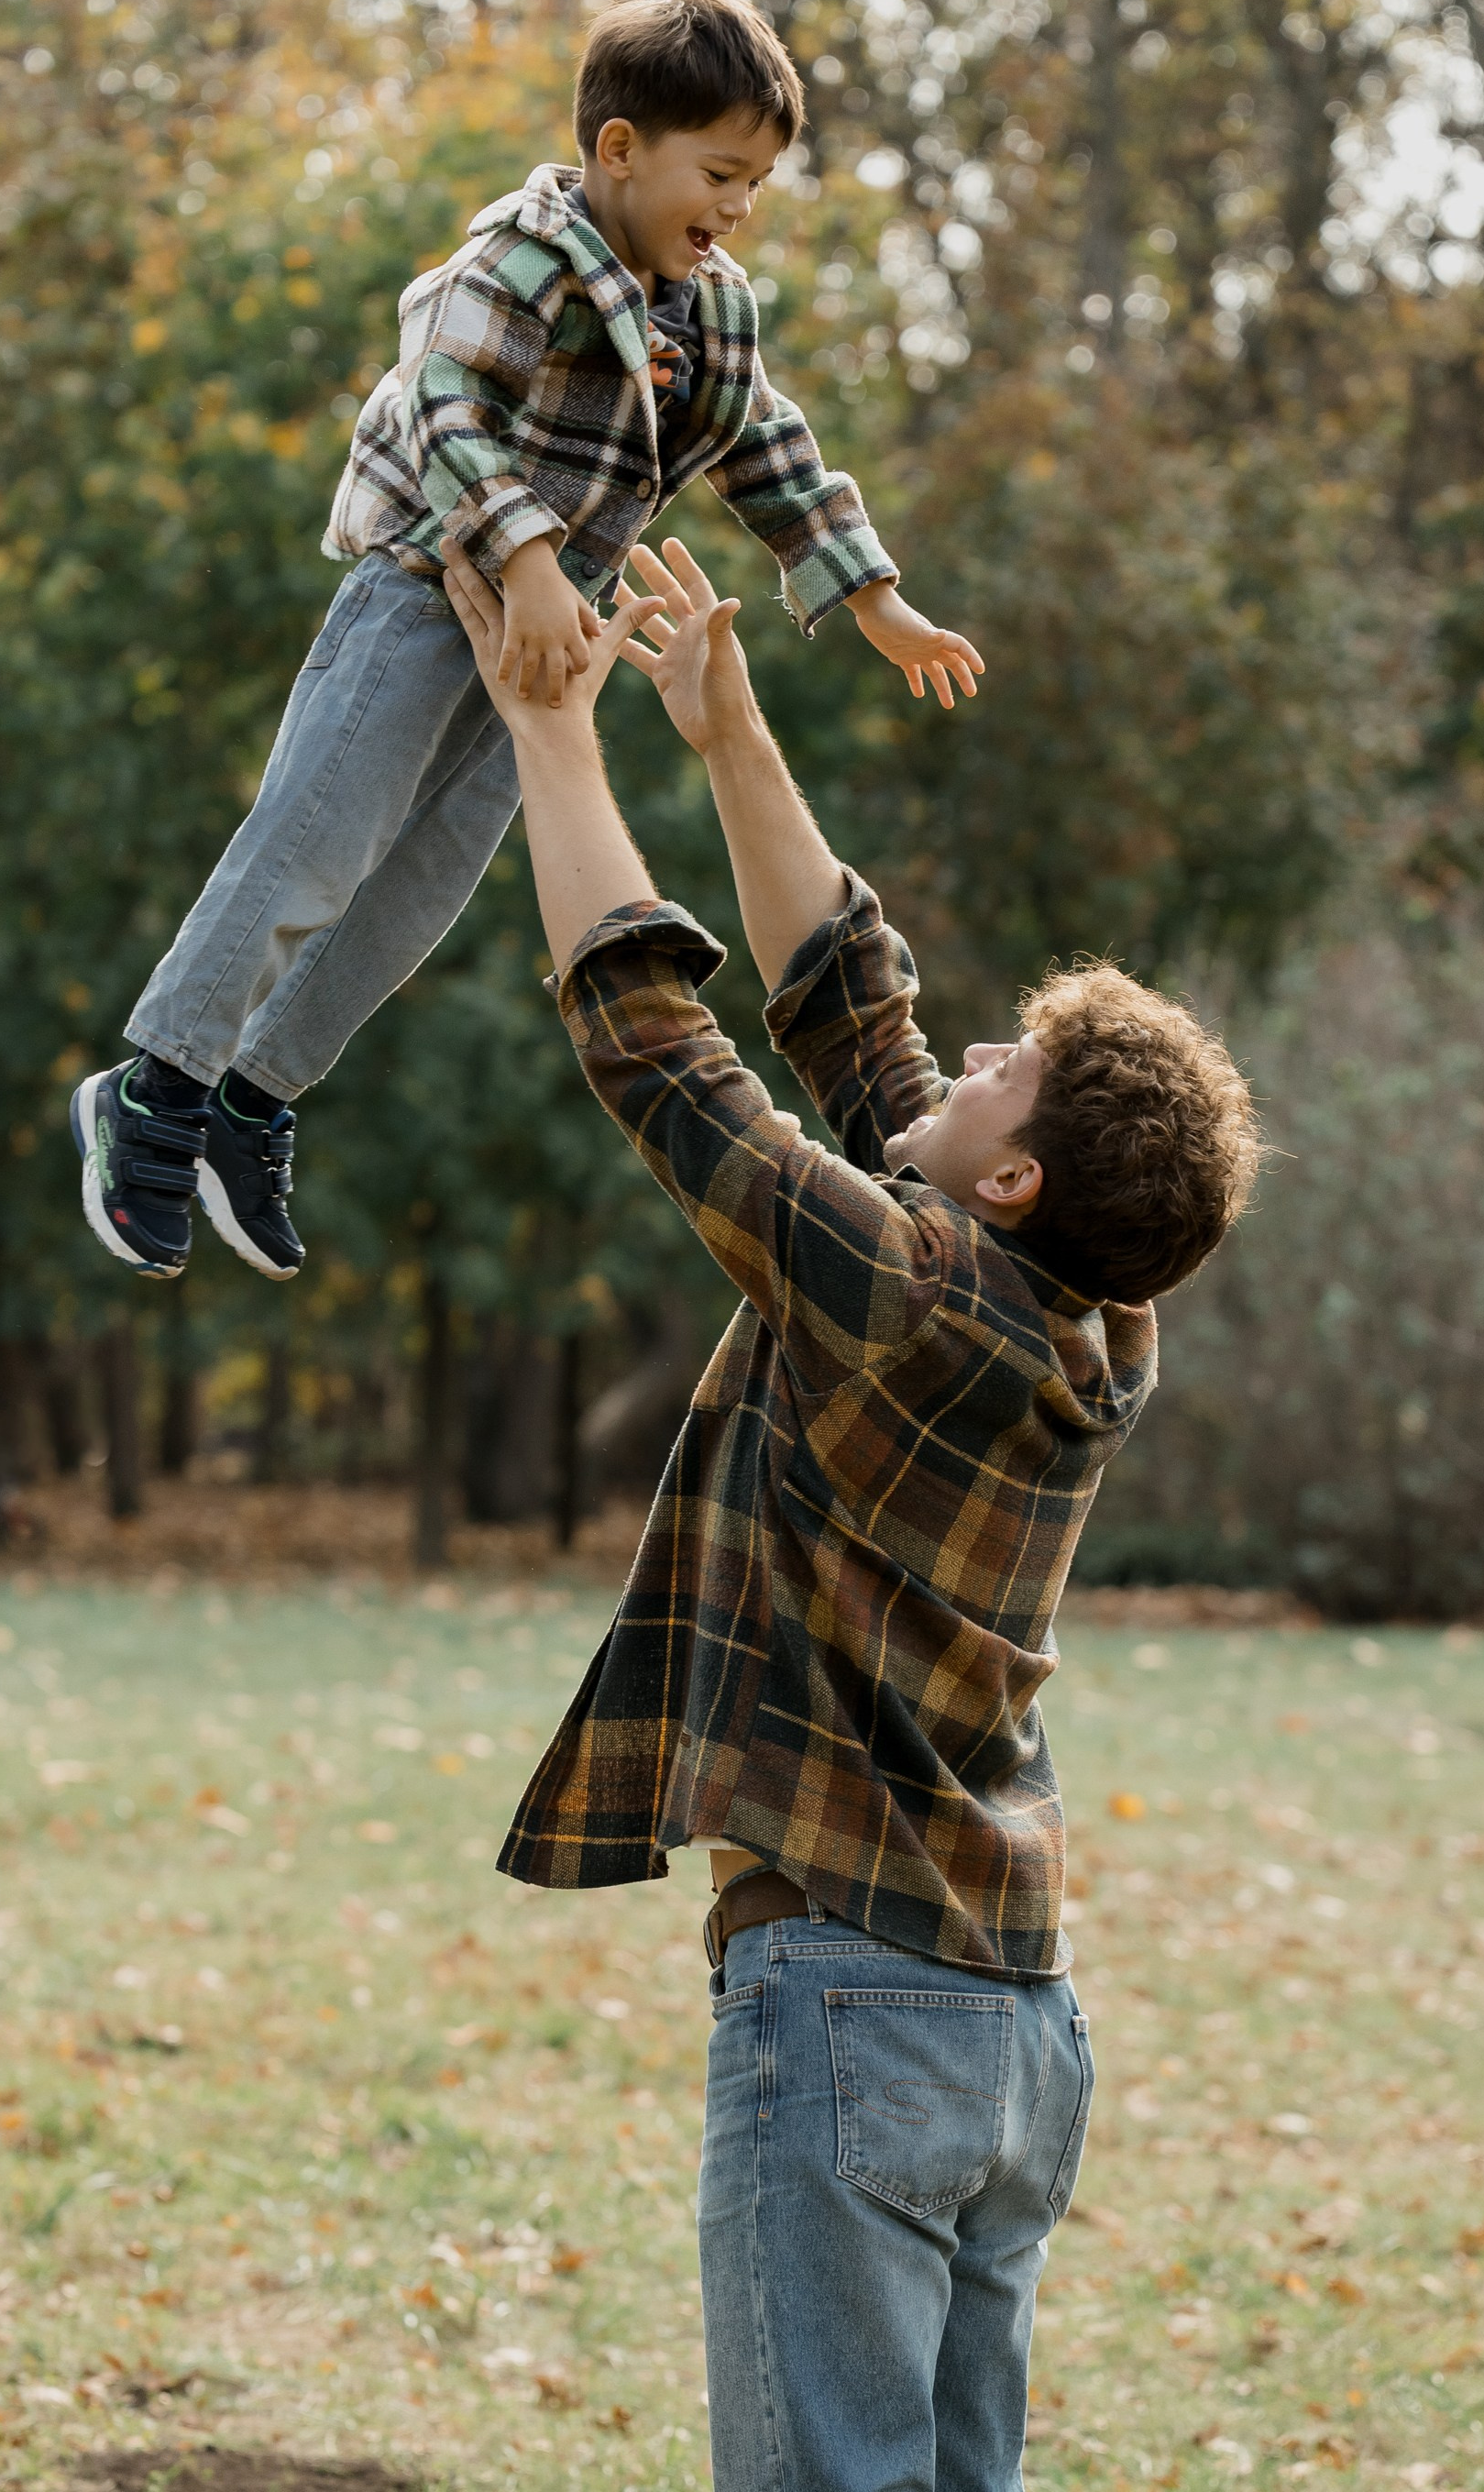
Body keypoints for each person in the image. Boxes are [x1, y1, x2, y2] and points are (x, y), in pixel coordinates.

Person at [439, 532, 1264, 2492]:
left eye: (1015, 1070)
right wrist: (728, 735)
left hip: (853, 2013)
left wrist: (553, 743)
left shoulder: (896, 1294)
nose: (971, 1051)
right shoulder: (1098, 1326)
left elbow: (669, 1057)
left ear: (1011, 1186)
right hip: (1012, 2036)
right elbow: (857, 1021)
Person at [71, 0, 983, 1282]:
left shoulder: (712, 304)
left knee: (412, 899)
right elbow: (438, 400)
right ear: (621, 149)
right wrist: (533, 550)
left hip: (543, 655)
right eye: (718, 174)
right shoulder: (524, 252)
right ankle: (156, 1087)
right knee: (318, 843)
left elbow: (767, 446)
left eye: (757, 185)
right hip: (428, 592)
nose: (734, 210)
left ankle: (251, 1100)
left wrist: (871, 596)